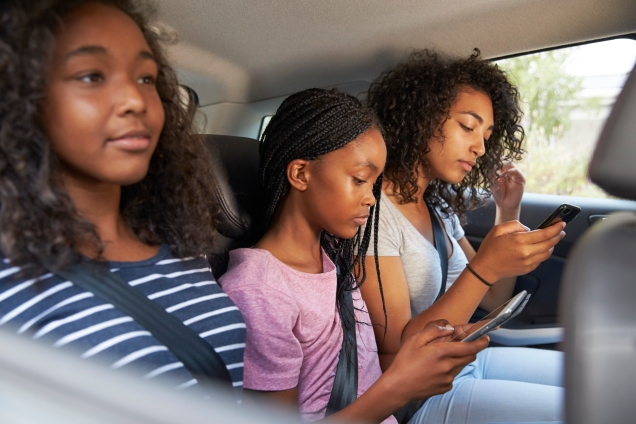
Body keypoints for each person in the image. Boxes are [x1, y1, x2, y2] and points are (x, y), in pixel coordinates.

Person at [0, 0, 245, 392]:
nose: (135, 100)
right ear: (19, 99)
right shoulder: (11, 284)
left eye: (146, 79)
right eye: (92, 76)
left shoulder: (183, 247)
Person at [219, 88, 489, 423]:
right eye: (360, 180)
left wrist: (425, 344)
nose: (372, 199)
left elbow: (363, 364)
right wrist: (399, 387)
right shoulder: (259, 292)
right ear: (301, 174)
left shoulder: (331, 254)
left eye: (374, 184)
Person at [361, 49, 565, 422]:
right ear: (420, 118)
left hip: (466, 361)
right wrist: (485, 266)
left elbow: (493, 296)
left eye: (486, 135)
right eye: (468, 127)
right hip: (420, 395)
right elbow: (397, 353)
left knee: (606, 385)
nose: (481, 147)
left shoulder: (436, 208)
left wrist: (507, 211)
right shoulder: (370, 213)